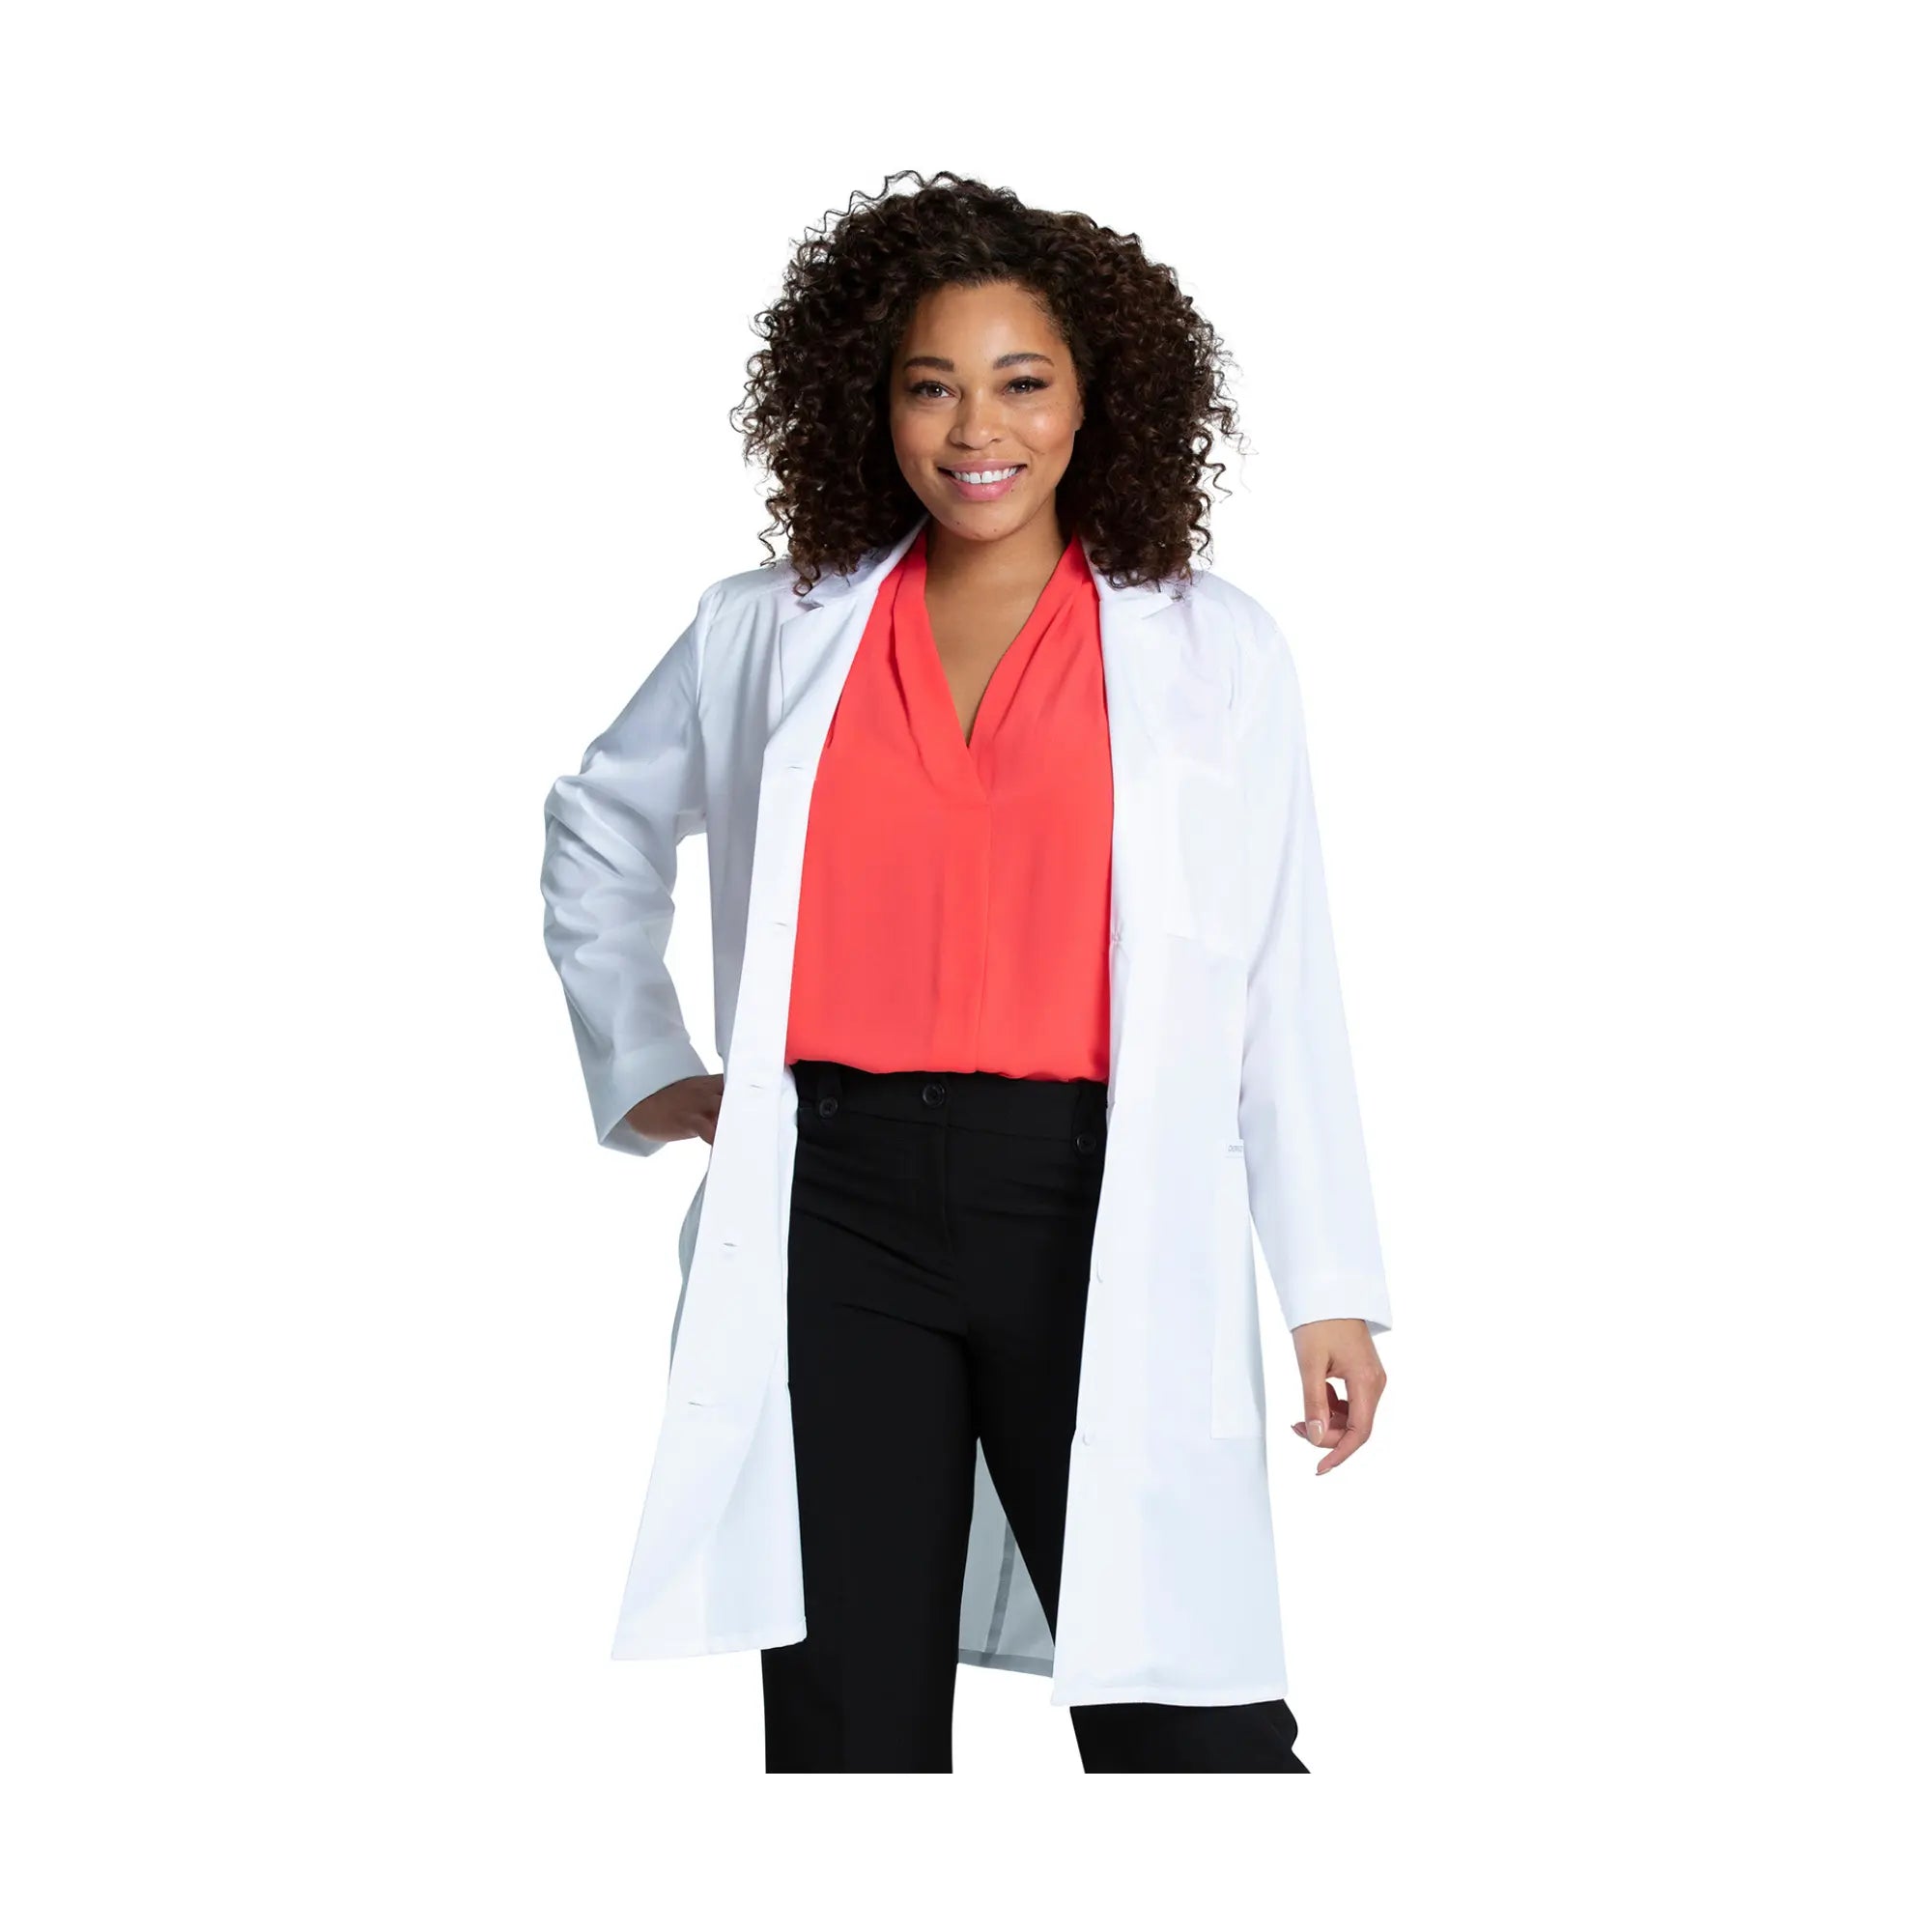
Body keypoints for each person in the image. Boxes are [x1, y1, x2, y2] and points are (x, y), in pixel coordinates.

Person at [540, 170, 1391, 1773]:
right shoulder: (769, 628)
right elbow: (601, 824)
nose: (976, 428)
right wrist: (646, 1062)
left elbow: (1284, 975)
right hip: (834, 1213)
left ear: (1094, 400)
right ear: (871, 403)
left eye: (1022, 381)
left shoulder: (1212, 650)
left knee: (1188, 1726)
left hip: (1093, 1202)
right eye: (931, 385)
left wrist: (1328, 1283)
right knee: (849, 1719)